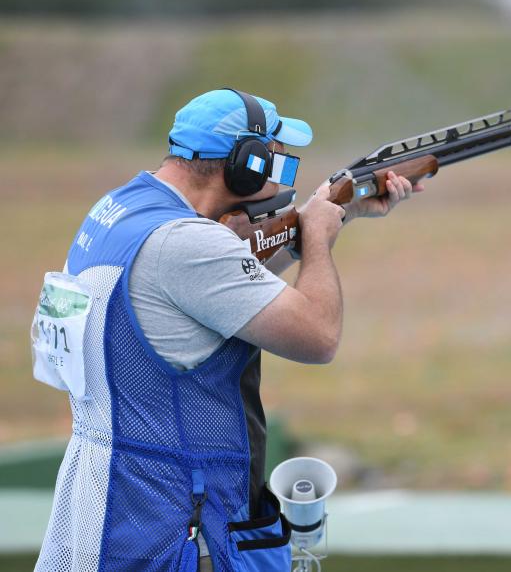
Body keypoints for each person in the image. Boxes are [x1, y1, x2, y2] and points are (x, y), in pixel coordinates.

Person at [31, 89, 422, 572]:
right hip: (174, 522)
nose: (283, 181)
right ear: (246, 165)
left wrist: (336, 213)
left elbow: (216, 286)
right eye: (277, 166)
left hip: (108, 498)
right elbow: (319, 337)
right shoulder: (188, 243)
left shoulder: (122, 211)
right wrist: (317, 240)